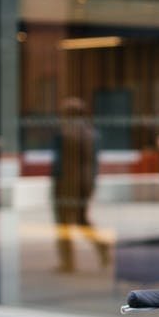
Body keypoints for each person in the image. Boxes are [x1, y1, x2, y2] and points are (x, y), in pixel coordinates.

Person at [51, 97, 110, 272]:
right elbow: (94, 164)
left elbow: (59, 164)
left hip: (66, 185)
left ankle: (68, 262)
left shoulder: (64, 133)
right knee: (81, 219)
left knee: (63, 224)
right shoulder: (93, 133)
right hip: (86, 184)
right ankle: (101, 246)